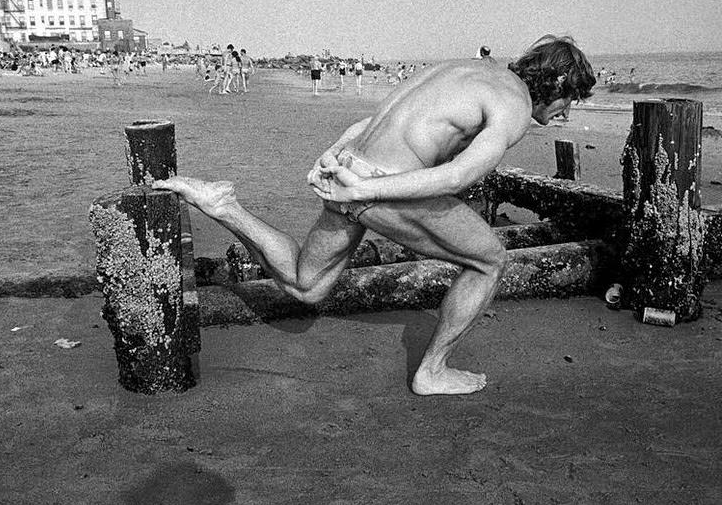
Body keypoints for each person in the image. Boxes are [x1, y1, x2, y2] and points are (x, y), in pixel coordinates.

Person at [154, 35, 596, 396]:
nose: (567, 112)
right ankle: (433, 372)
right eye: (570, 98)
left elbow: (375, 119)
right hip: (375, 185)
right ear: (556, 80)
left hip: (353, 164)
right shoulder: (514, 104)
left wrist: (336, 158)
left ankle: (222, 205)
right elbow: (458, 177)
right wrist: (366, 190)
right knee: (490, 260)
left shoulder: (465, 69)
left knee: (308, 285)